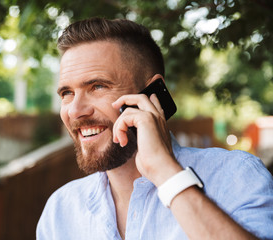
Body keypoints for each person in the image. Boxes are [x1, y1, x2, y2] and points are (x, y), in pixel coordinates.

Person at [37, 17, 273, 239]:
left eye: (98, 86)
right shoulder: (60, 211)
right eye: (67, 93)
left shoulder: (236, 175)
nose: (75, 111)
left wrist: (164, 171)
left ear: (151, 95)